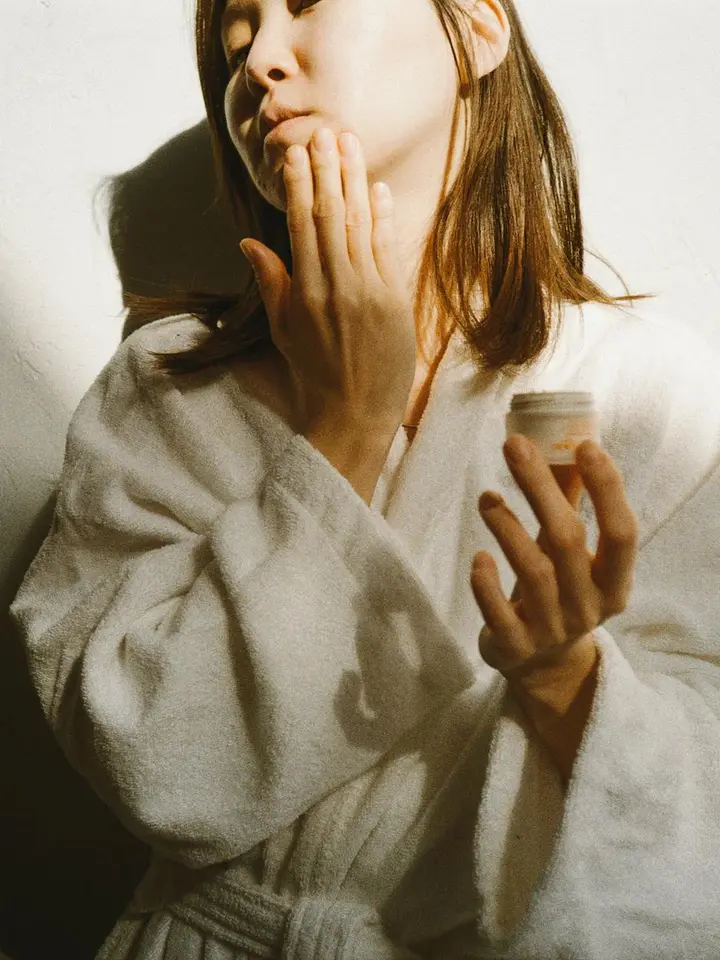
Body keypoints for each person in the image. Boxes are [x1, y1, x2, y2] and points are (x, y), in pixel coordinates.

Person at [10, 0, 720, 957]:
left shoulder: (652, 398)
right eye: (234, 40)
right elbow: (153, 766)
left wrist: (567, 679)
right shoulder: (169, 387)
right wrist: (347, 425)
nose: (258, 59)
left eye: (302, 4)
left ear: (475, 26)